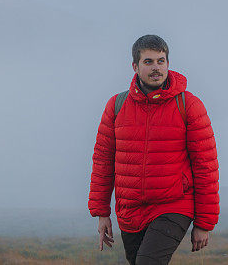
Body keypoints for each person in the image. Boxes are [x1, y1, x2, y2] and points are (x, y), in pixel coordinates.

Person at [88, 34, 220, 264]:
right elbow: (103, 161)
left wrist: (204, 222)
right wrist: (102, 213)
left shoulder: (188, 105)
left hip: (174, 205)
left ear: (168, 63)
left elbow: (206, 166)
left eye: (161, 61)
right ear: (135, 66)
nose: (156, 67)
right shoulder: (117, 106)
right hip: (129, 211)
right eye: (148, 61)